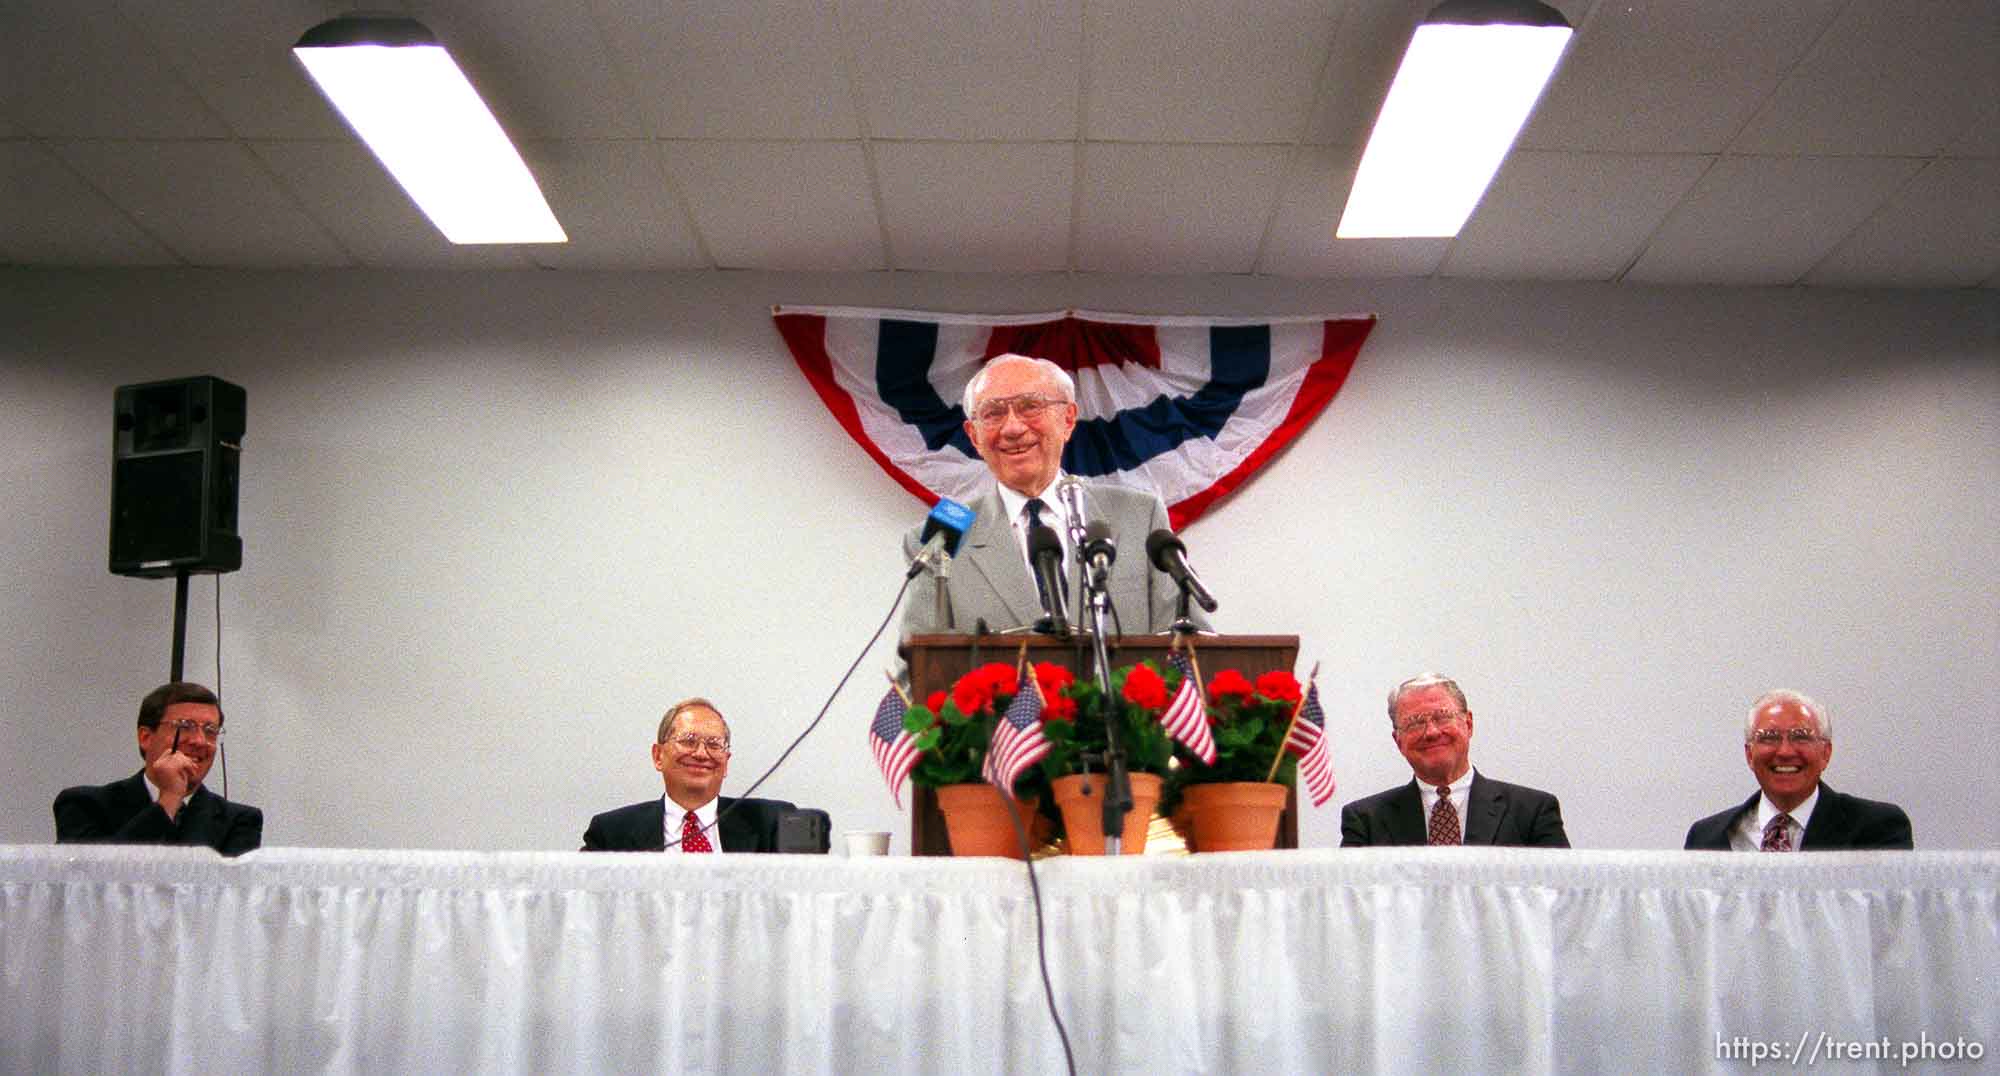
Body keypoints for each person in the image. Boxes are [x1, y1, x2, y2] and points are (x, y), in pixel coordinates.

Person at [900, 352, 1210, 641]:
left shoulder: (1139, 515)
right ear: (973, 436)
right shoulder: (941, 536)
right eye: (993, 413)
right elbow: (917, 671)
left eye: (1030, 406)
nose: (1012, 427)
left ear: (1068, 419)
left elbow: (1188, 647)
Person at [1340, 674, 1569, 848]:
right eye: (1414, 723)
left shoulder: (1532, 813)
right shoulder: (1365, 822)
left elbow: (1565, 899)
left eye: (1442, 717)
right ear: (1398, 740)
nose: (1431, 732)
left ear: (1468, 724)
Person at [1684, 689, 1912, 851]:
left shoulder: (1878, 829)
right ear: (1749, 754)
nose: (1784, 751)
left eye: (1801, 737)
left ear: (1826, 753)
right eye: (1769, 738)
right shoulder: (1706, 838)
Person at [53, 681, 263, 856]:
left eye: (211, 731)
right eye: (184, 727)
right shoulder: (83, 805)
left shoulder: (239, 821)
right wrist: (169, 798)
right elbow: (95, 880)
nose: (200, 741)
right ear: (145, 737)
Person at [581, 697, 796, 853]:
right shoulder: (611, 834)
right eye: (688, 740)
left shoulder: (776, 822)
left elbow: (810, 896)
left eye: (714, 744)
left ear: (726, 762)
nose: (702, 754)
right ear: (658, 756)